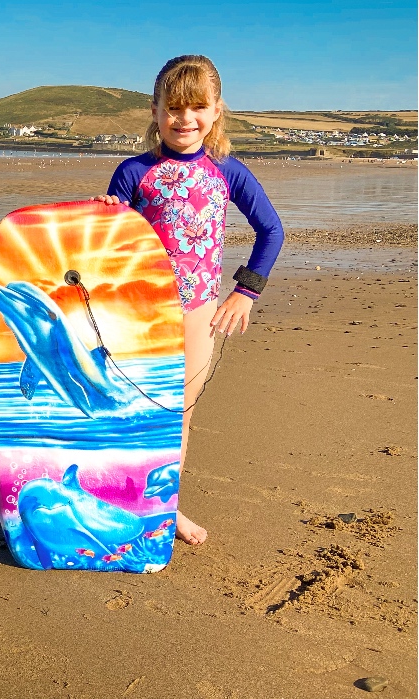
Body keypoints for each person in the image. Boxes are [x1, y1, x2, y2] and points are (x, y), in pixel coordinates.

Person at [95, 54, 283, 546]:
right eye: (173, 107)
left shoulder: (228, 171)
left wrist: (245, 292)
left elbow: (271, 230)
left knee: (179, 415)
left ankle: (165, 506)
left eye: (197, 107)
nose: (185, 118)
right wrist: (105, 215)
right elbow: (107, 247)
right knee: (132, 410)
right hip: (137, 316)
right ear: (154, 112)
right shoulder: (134, 171)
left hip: (197, 315)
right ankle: (123, 494)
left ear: (217, 110)